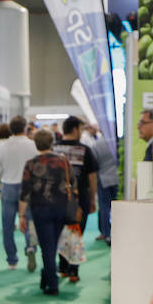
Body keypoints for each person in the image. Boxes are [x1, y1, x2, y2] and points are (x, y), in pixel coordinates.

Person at [19, 128, 74, 296]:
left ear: (36, 144)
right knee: (53, 244)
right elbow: (73, 182)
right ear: (52, 142)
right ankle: (47, 275)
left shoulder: (30, 164)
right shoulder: (63, 161)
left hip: (40, 209)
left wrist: (21, 215)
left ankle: (52, 283)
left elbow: (25, 193)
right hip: (60, 207)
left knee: (47, 247)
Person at [0, 116, 40, 271]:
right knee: (29, 220)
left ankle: (12, 259)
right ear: (25, 128)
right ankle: (31, 247)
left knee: (7, 225)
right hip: (28, 187)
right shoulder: (33, 145)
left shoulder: (3, 147)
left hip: (8, 186)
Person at [56, 116, 99, 283]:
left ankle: (63, 267)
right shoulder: (85, 150)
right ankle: (73, 270)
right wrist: (93, 198)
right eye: (81, 129)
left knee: (60, 233)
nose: (82, 133)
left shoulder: (54, 148)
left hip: (57, 199)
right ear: (74, 130)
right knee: (76, 233)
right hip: (79, 199)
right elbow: (92, 177)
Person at [88, 122, 119, 243]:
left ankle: (105, 233)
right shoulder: (118, 143)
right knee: (117, 207)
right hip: (117, 178)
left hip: (103, 178)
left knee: (104, 207)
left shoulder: (97, 145)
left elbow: (94, 165)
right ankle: (117, 232)